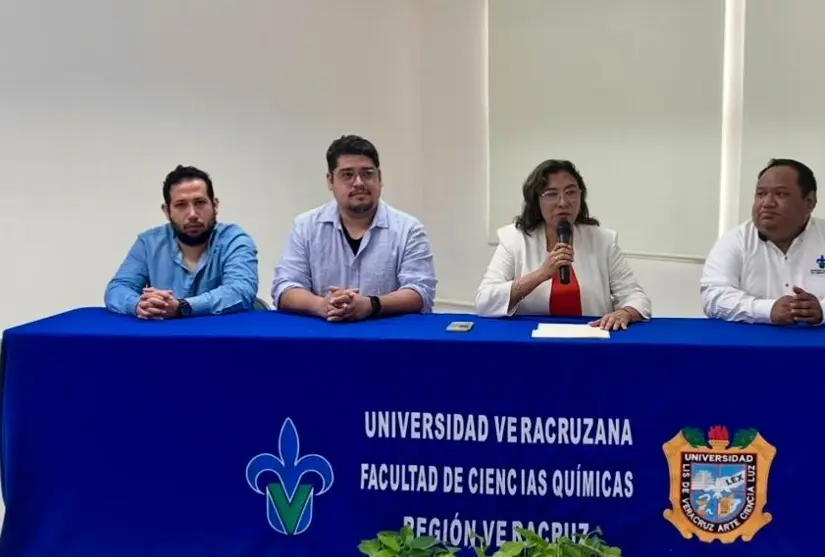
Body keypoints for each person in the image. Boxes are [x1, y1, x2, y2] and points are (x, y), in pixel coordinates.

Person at [272, 135, 437, 321]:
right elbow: (285, 287)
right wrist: (321, 305)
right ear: (330, 181)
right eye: (347, 174)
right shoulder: (305, 227)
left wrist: (371, 305)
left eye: (367, 173)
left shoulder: (409, 230)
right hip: (323, 335)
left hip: (389, 338)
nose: (359, 182)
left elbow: (421, 292)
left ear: (380, 178)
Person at [475, 159, 651, 330]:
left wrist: (625, 312)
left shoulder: (602, 240)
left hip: (591, 340)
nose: (563, 202)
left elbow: (635, 296)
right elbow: (484, 301)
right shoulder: (514, 239)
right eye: (551, 194)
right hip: (531, 344)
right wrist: (540, 275)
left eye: (571, 192)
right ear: (536, 201)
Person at [700, 158, 825, 325]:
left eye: (780, 194)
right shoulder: (734, 241)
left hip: (822, 348)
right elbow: (714, 297)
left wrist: (823, 310)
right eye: (761, 194)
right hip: (752, 347)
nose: (767, 203)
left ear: (809, 202)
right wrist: (767, 310)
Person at [104, 165, 259, 319]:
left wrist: (182, 307)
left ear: (215, 205)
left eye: (199, 202)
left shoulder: (235, 239)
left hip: (222, 336)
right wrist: (140, 305)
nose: (192, 214)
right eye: (181, 205)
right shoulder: (149, 243)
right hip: (166, 338)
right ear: (166, 211)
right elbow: (118, 289)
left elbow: (241, 291)